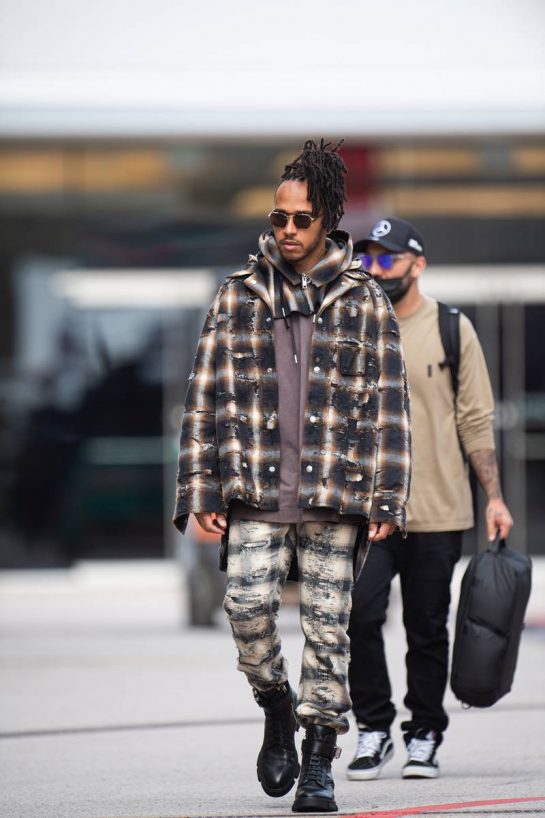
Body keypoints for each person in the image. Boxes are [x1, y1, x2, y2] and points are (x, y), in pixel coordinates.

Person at [173, 142, 411, 813]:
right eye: (279, 218)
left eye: (301, 219)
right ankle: (275, 706)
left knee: (327, 630)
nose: (286, 230)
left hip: (334, 494)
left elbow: (389, 400)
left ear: (328, 220)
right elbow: (205, 399)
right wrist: (201, 488)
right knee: (246, 610)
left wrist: (386, 496)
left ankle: (316, 760)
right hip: (253, 491)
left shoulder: (364, 299)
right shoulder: (236, 295)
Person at [347, 217, 514, 782]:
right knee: (358, 615)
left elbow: (475, 418)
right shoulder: (353, 326)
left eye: (387, 257)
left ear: (417, 263)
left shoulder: (451, 327)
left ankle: (424, 734)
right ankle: (373, 728)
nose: (375, 268)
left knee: (427, 627)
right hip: (367, 514)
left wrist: (494, 496)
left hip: (439, 509)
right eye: (367, 258)